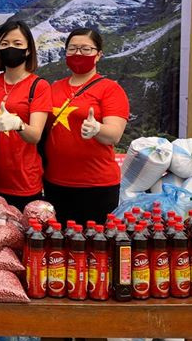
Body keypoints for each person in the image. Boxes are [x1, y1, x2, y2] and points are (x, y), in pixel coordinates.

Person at [43, 28, 129, 225]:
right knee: (57, 241)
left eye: (86, 49)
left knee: (93, 242)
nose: (78, 53)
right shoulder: (54, 88)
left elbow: (114, 134)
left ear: (98, 55)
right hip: (55, 183)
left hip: (97, 186)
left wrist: (98, 129)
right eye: (72, 48)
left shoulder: (111, 89)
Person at [0, 20, 51, 210]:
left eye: (17, 43)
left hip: (24, 182)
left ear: (28, 50)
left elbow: (35, 135)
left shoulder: (38, 86)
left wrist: (18, 124)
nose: (10, 48)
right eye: (4, 44)